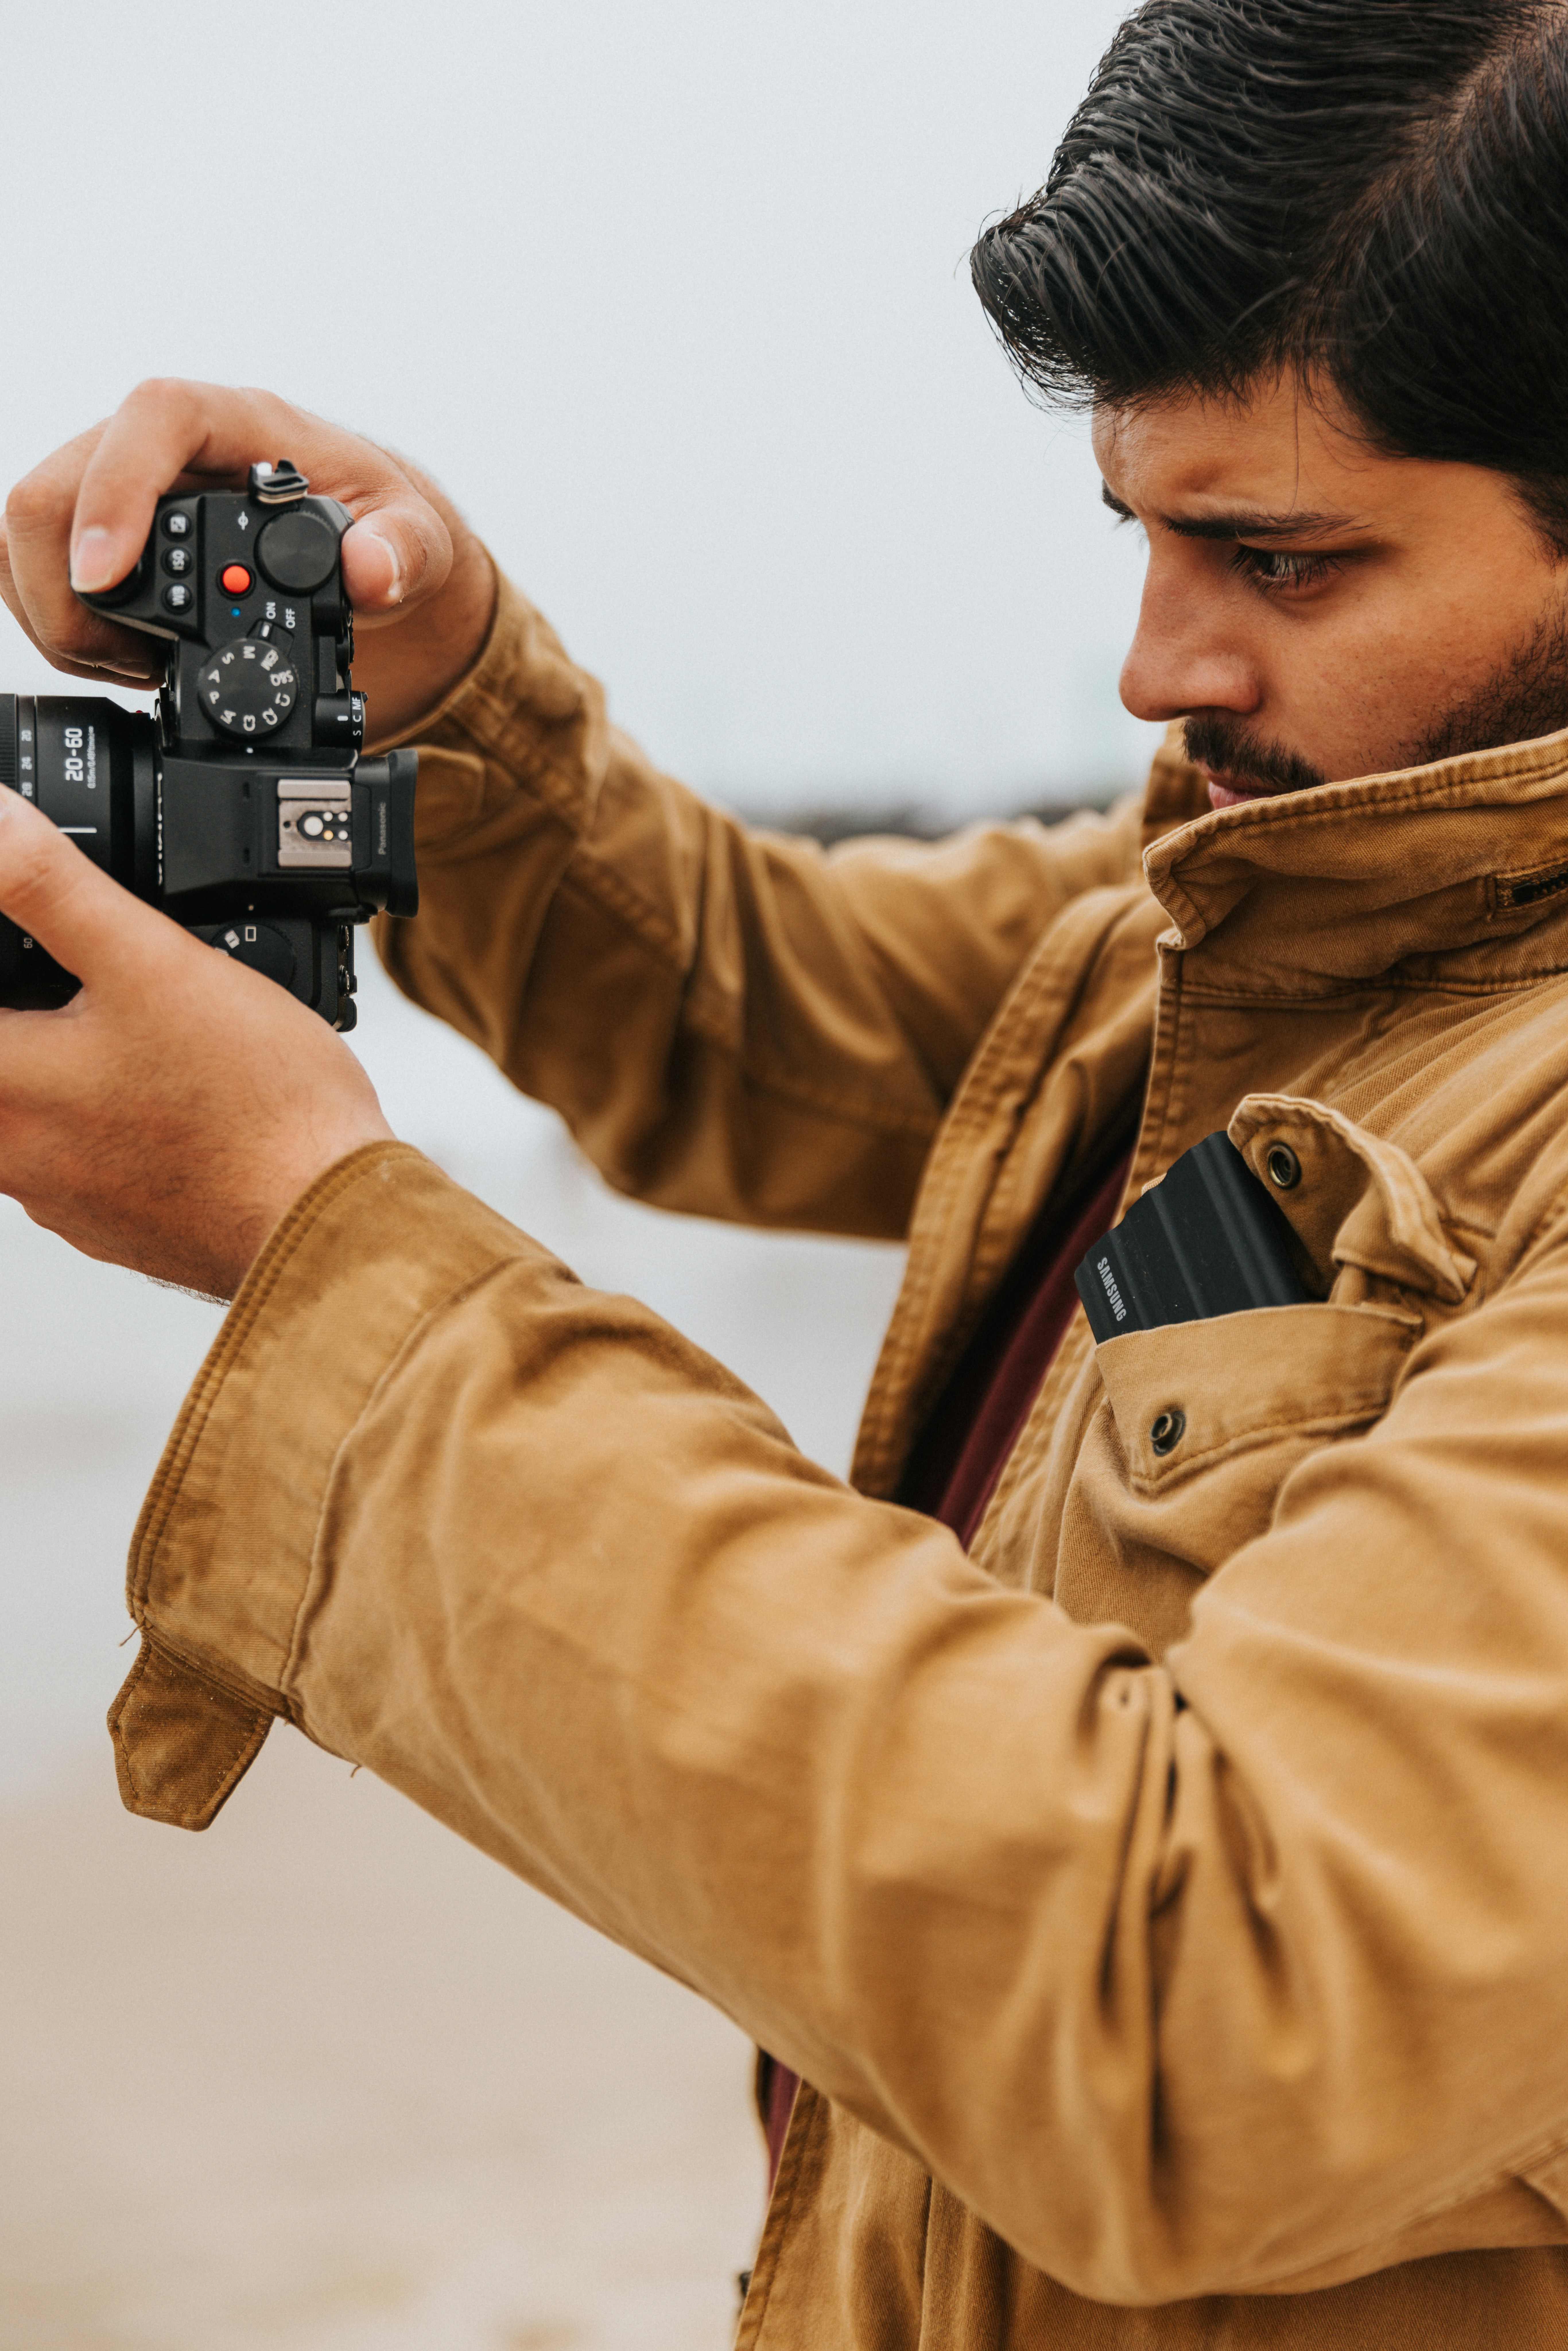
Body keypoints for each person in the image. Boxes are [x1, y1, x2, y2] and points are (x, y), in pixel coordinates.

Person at [6, 0, 1568, 2340]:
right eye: (1136, 531)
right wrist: (442, 695)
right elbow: (750, 1023)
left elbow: (1215, 2016)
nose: (1150, 662)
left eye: (1279, 558)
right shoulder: (1284, 906)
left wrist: (317, 1244)